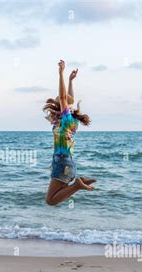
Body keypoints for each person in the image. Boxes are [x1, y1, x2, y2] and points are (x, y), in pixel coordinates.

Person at [44, 60, 96, 206]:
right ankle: (79, 184)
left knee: (50, 201)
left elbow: (63, 98)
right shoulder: (71, 122)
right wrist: (70, 81)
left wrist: (61, 73)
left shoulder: (66, 119)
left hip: (62, 163)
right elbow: (68, 99)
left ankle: (77, 185)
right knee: (53, 198)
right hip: (66, 163)